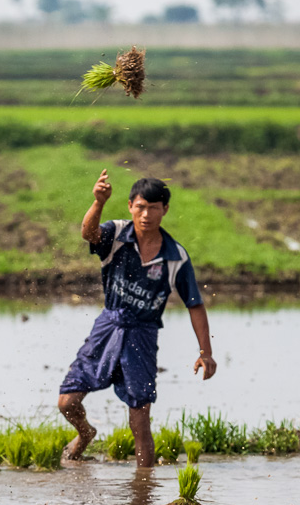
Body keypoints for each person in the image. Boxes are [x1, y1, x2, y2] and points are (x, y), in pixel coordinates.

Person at [58, 170, 216, 467]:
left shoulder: (175, 256)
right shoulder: (117, 234)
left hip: (143, 334)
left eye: (154, 208)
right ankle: (85, 433)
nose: (146, 215)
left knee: (140, 419)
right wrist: (98, 202)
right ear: (130, 205)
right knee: (67, 402)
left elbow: (194, 304)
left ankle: (144, 490)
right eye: (140, 207)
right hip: (109, 325)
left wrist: (205, 353)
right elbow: (88, 234)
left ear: (164, 210)